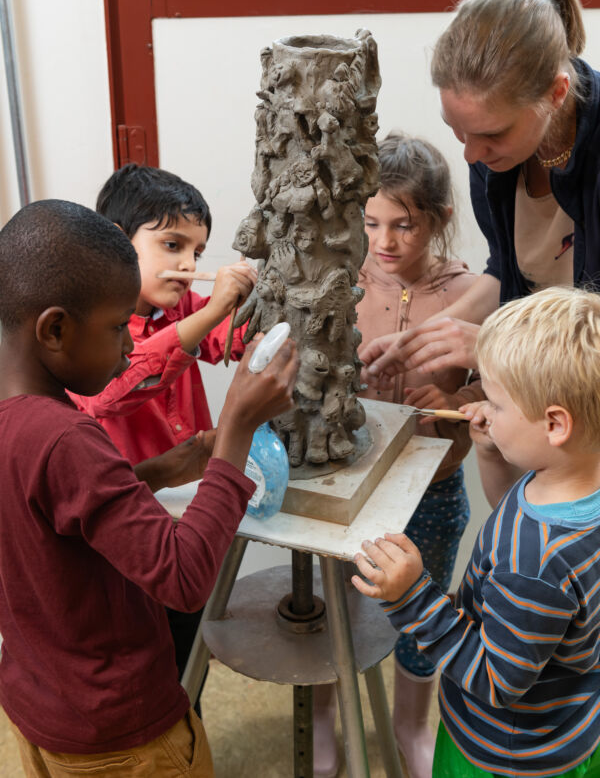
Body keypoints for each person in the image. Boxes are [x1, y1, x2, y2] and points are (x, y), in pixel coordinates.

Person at [0, 199, 298, 778]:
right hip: (121, 736)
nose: (126, 351)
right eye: (116, 329)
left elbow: (52, 516)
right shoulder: (67, 438)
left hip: (42, 707)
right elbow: (183, 579)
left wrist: (161, 470)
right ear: (55, 328)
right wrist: (236, 431)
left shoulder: (21, 419)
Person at [360, 0, 599, 503]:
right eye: (456, 129)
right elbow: (507, 272)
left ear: (556, 94)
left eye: (490, 135)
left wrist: (493, 349)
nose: (469, 154)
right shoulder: (495, 158)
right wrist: (428, 332)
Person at [353, 286, 600, 777]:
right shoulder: (567, 477)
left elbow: (493, 680)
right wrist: (492, 449)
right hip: (570, 723)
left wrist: (412, 599)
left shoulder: (536, 563)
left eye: (498, 402)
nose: (484, 408)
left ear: (555, 425)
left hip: (506, 751)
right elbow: (512, 508)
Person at [312, 132, 484, 778]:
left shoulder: (468, 293)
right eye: (371, 224)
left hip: (433, 493)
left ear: (438, 221)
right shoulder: (349, 284)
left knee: (421, 621)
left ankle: (413, 726)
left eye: (403, 226)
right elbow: (318, 374)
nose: (384, 243)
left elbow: (491, 397)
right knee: (342, 614)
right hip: (352, 482)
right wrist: (347, 382)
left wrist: (450, 388)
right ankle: (329, 719)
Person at [68, 163, 258, 705]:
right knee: (145, 659)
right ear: (114, 245)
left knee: (186, 645)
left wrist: (260, 305)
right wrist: (215, 308)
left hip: (190, 516)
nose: (187, 265)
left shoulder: (183, 308)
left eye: (197, 252)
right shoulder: (92, 333)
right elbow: (114, 390)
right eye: (172, 244)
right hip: (128, 529)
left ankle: (185, 725)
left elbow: (235, 339)